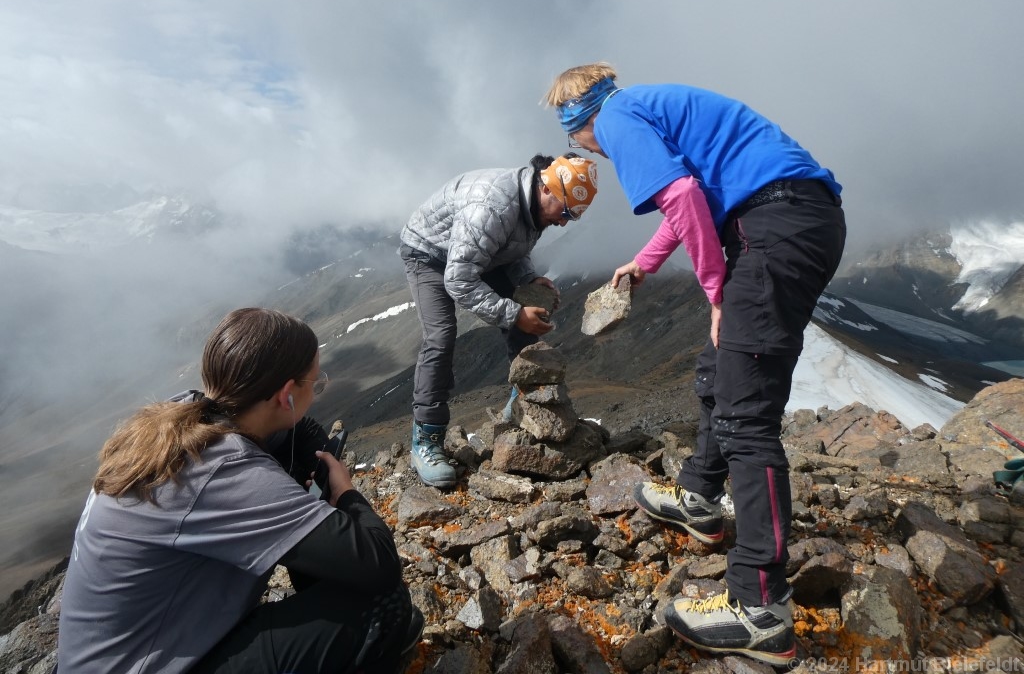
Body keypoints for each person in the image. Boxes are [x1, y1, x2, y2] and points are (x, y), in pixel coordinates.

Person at [545, 64, 846, 665]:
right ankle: (701, 496)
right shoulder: (645, 106)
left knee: (745, 415)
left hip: (773, 227)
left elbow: (680, 197)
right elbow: (689, 202)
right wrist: (644, 264)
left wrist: (714, 291)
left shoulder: (619, 118)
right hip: (789, 218)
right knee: (721, 371)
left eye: (572, 135)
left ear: (580, 121)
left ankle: (760, 607)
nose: (581, 146)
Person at [56, 308, 422, 674]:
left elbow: (301, 429)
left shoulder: (188, 414)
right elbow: (379, 564)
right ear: (286, 395)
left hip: (114, 657)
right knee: (383, 605)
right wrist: (344, 493)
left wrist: (309, 463)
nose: (318, 390)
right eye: (315, 382)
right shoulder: (223, 472)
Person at [400, 153, 598, 488]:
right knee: (441, 335)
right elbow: (459, 280)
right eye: (566, 213)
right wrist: (514, 314)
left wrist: (529, 279)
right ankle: (426, 439)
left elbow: (512, 249)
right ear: (548, 189)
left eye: (572, 218)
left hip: (472, 252)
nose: (564, 222)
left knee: (526, 302)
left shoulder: (533, 206)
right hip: (429, 254)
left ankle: (524, 405)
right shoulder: (492, 207)